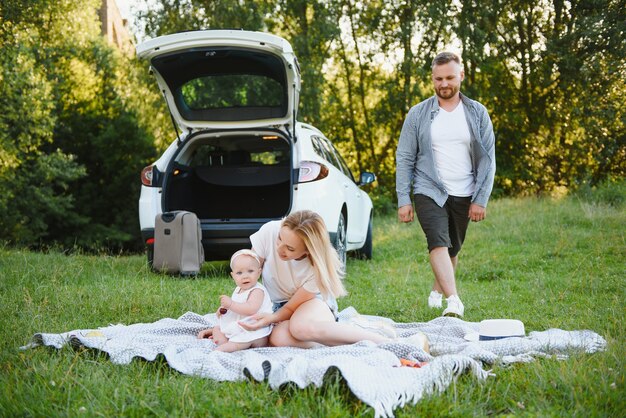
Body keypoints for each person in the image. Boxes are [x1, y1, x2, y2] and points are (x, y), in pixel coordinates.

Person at [237, 210, 429, 352]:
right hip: (275, 307)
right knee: (278, 339)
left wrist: (270, 319)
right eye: (280, 239)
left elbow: (289, 309)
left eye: (290, 248)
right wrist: (232, 318)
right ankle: (345, 338)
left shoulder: (317, 268)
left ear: (308, 250)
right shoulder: (270, 230)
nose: (280, 249)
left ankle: (391, 344)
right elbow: (249, 279)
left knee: (300, 328)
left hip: (312, 306)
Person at [395, 51, 496, 318]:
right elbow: (405, 157)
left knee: (453, 247)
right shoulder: (418, 114)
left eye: (450, 77)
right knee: (437, 242)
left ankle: (437, 291)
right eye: (438, 79)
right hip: (429, 188)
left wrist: (480, 198)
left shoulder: (477, 112)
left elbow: (488, 160)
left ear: (460, 76)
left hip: (465, 191)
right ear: (432, 79)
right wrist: (404, 198)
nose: (444, 84)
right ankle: (454, 300)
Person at [197, 249, 273, 352]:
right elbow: (236, 308)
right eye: (239, 273)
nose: (245, 276)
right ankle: (222, 341)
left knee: (235, 344)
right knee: (217, 328)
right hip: (241, 327)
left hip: (253, 331)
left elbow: (251, 309)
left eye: (250, 271)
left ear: (259, 272)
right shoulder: (238, 290)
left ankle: (218, 351)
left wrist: (231, 304)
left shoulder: (257, 291)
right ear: (233, 276)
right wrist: (224, 310)